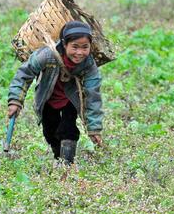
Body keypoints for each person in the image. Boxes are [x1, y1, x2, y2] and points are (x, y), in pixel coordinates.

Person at [7, 21, 103, 164]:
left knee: (68, 129)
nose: (80, 52)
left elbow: (93, 95)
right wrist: (15, 101)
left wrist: (94, 128)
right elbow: (24, 75)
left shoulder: (88, 64)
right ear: (64, 45)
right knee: (50, 132)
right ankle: (59, 156)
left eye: (85, 47)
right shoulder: (46, 55)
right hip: (48, 97)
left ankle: (67, 165)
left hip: (71, 98)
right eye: (75, 47)